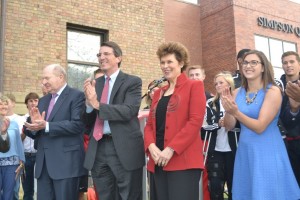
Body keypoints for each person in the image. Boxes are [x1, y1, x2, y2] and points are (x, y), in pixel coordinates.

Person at [222, 50, 300, 199]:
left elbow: (260, 127)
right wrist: (228, 110)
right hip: (245, 152)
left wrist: (236, 112)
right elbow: (229, 126)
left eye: (254, 62)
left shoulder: (273, 91)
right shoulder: (237, 92)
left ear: (263, 67)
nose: (248, 66)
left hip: (268, 152)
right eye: (245, 62)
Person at [82, 41, 145, 200]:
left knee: (128, 196)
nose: (101, 57)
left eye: (106, 54)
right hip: (98, 148)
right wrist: (89, 106)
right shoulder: (96, 83)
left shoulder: (132, 81)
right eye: (99, 54)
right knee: (104, 196)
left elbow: (129, 111)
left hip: (123, 149)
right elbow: (88, 123)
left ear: (118, 58)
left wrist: (97, 104)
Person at [144, 42, 206, 200]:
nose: (165, 66)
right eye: (162, 62)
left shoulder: (194, 86)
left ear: (181, 63)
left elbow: (195, 121)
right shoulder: (158, 93)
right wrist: (151, 146)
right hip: (157, 161)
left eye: (169, 62)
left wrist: (170, 149)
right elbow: (150, 125)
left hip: (183, 161)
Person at [23, 64, 86, 200]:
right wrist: (32, 126)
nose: (43, 82)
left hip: (66, 166)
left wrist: (47, 125)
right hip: (43, 167)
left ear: (60, 77)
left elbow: (77, 125)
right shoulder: (43, 100)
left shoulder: (77, 96)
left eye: (47, 78)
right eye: (42, 79)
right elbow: (34, 130)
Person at [204, 71, 237, 200]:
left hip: (234, 150)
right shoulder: (210, 102)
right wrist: (218, 123)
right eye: (216, 83)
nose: (217, 85)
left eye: (221, 82)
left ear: (229, 84)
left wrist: (230, 122)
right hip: (216, 150)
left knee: (233, 184)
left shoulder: (237, 99)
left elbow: (241, 125)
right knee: (216, 185)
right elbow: (205, 125)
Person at [279, 51, 300, 187]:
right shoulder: (277, 87)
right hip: (286, 143)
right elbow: (281, 116)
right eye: (285, 62)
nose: (288, 65)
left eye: (292, 61)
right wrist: (293, 109)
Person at [0, 96, 25, 200]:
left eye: (5, 103)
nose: (4, 106)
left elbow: (18, 144)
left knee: (9, 195)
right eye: (1, 103)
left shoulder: (14, 124)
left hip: (12, 165)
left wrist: (22, 162)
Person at [21, 92, 39, 200]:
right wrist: (25, 130)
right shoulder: (20, 119)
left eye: (36, 100)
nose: (33, 103)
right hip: (26, 156)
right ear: (26, 104)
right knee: (27, 189)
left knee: (39, 188)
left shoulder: (42, 118)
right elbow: (18, 141)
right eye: (30, 101)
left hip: (39, 156)